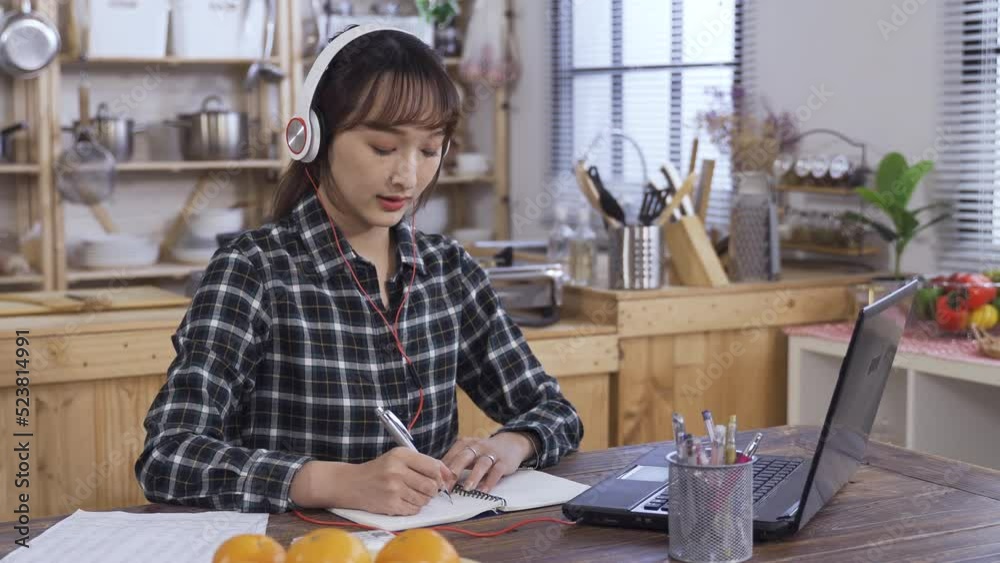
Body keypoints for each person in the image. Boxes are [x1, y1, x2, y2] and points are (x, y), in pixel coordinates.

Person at [134, 27, 582, 516]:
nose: (406, 176)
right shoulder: (254, 271)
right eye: (383, 148)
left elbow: (555, 412)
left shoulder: (450, 273)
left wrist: (513, 444)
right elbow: (168, 456)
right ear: (313, 136)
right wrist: (332, 481)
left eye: (429, 150)